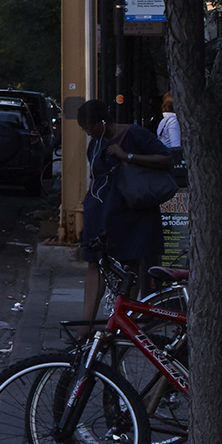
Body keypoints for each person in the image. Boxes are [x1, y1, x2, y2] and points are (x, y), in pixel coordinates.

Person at [78, 99, 178, 322]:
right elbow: (94, 176)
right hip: (102, 208)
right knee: (95, 262)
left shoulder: (134, 134)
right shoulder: (95, 143)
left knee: (131, 262)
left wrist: (127, 156)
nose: (88, 132)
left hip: (130, 207)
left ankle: (122, 320)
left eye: (89, 127)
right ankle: (86, 322)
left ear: (102, 121)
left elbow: (166, 158)